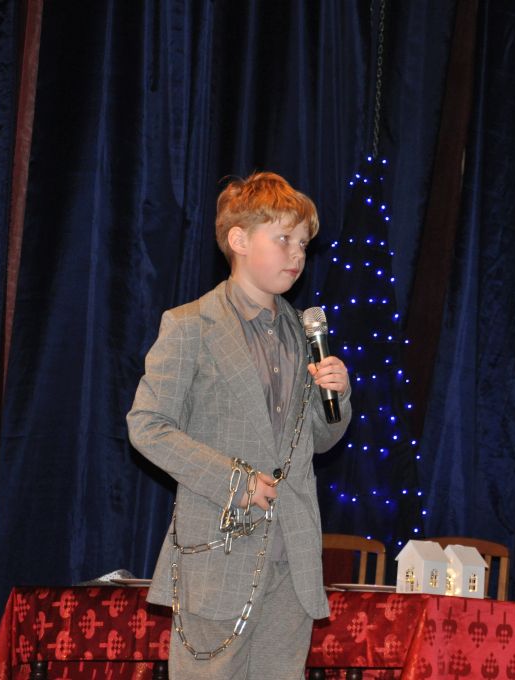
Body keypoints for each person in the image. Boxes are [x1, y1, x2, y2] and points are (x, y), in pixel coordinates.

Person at [128, 171, 351, 679]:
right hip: (218, 552)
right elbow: (147, 426)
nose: (297, 254)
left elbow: (318, 441)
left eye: (303, 243)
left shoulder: (303, 332)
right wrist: (236, 481)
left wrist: (336, 397)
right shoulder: (190, 325)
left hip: (292, 556)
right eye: (284, 239)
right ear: (238, 240)